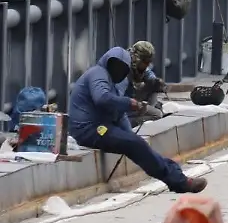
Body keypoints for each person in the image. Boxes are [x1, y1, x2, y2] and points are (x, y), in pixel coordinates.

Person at [69, 47, 206, 193]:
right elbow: (102, 98)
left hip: (100, 126)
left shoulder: (112, 83)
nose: (117, 71)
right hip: (88, 129)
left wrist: (130, 136)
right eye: (115, 66)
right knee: (135, 144)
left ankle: (179, 177)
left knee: (139, 145)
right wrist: (129, 103)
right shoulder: (98, 73)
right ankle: (180, 182)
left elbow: (118, 114)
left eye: (122, 69)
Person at [123, 41, 166, 126]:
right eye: (146, 62)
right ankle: (127, 123)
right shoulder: (125, 68)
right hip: (125, 105)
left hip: (133, 101)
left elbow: (148, 74)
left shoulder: (139, 66)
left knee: (154, 86)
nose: (147, 65)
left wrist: (156, 82)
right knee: (157, 115)